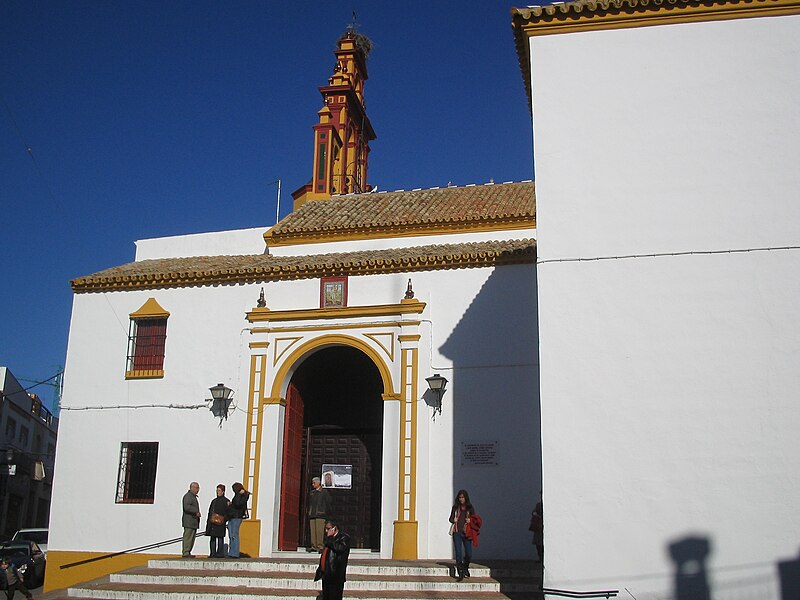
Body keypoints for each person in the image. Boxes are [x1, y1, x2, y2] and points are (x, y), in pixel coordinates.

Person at [314, 519, 350, 600]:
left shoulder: (343, 538)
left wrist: (330, 538)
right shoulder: (328, 539)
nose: (326, 531)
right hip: (326, 575)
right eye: (325, 529)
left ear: (335, 528)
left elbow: (339, 548)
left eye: (328, 528)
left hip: (335, 575)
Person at [449, 489, 475, 580]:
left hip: (467, 532)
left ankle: (465, 567)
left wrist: (470, 520)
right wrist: (453, 520)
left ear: (466, 498)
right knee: (458, 553)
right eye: (460, 497)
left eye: (463, 497)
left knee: (469, 553)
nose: (461, 499)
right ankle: (460, 572)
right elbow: (451, 518)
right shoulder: (455, 507)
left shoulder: (470, 507)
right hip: (457, 532)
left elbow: (474, 518)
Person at [308, 476, 333, 552]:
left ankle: (320, 546)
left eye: (314, 483)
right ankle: (313, 546)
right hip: (312, 514)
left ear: (318, 483)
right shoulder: (312, 493)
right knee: (313, 531)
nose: (313, 484)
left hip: (320, 514)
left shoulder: (324, 492)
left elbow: (328, 503)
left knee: (319, 531)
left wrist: (326, 512)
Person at [226, 481, 250, 558]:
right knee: (231, 535)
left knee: (234, 535)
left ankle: (234, 553)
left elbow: (238, 504)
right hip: (232, 517)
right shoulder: (239, 496)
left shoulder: (242, 496)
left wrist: (241, 494)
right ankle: (231, 552)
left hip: (236, 517)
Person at [206, 483, 229, 558]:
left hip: (221, 523)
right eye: (217, 490)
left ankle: (220, 553)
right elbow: (210, 512)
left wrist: (224, 519)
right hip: (213, 522)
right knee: (212, 538)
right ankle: (212, 553)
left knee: (220, 538)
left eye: (219, 490)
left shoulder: (226, 501)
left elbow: (228, 512)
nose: (217, 492)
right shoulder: (214, 501)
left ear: (223, 491)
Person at [181, 481, 201, 558]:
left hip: (193, 521)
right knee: (188, 537)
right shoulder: (188, 496)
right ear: (192, 488)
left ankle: (188, 551)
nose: (198, 489)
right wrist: (196, 511)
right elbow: (186, 507)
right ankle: (186, 552)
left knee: (192, 538)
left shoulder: (192, 496)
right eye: (196, 487)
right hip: (189, 521)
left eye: (198, 488)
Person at [530, 491, 544, 563]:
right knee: (538, 544)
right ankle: (540, 558)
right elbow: (533, 512)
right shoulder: (538, 505)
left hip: (542, 527)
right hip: (538, 528)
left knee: (541, 544)